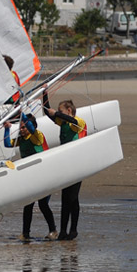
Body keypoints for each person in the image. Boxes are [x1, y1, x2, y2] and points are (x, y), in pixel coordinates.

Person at [4, 113, 57, 241]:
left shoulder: (37, 136)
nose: (21, 130)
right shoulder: (21, 139)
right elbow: (7, 144)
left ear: (31, 126)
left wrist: (22, 113)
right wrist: (6, 128)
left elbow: (32, 130)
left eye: (24, 127)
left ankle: (53, 230)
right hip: (30, 176)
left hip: (44, 175)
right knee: (28, 205)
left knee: (43, 204)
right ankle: (25, 234)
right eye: (20, 128)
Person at [43, 94, 87, 240]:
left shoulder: (78, 122)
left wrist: (56, 113)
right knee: (64, 198)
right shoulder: (63, 123)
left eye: (62, 112)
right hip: (65, 164)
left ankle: (73, 229)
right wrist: (44, 94)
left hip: (77, 164)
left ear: (69, 110)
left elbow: (72, 120)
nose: (59, 115)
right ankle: (63, 231)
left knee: (73, 198)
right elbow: (47, 112)